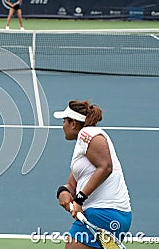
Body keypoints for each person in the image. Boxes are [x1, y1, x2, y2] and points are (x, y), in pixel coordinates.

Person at [54, 100, 131, 248]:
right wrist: (63, 192)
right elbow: (72, 183)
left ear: (73, 124)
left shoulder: (87, 133)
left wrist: (78, 200)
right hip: (109, 214)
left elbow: (106, 166)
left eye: (64, 121)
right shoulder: (82, 148)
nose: (62, 125)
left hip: (105, 212)